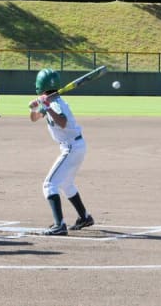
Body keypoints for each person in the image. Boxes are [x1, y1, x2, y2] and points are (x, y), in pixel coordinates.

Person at [28, 68, 94, 236]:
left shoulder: (55, 103)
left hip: (71, 147)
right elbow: (34, 119)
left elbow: (62, 122)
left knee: (49, 185)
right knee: (66, 184)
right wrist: (35, 107)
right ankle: (84, 217)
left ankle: (59, 225)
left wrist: (47, 106)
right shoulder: (52, 101)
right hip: (76, 146)